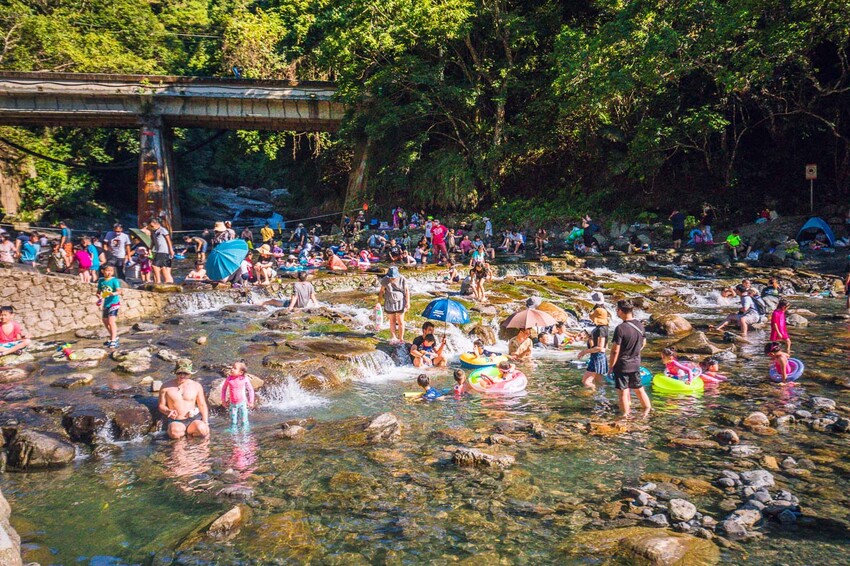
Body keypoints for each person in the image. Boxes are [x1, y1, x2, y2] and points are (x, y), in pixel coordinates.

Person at [609, 299, 651, 416]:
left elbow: (615, 351)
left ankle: (625, 416)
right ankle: (647, 411)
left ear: (621, 311)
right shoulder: (640, 325)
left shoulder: (620, 328)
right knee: (639, 389)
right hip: (636, 363)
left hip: (622, 365)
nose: (617, 312)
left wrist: (611, 366)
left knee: (622, 392)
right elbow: (644, 342)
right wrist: (635, 352)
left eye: (617, 310)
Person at [158, 359, 210, 439]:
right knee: (175, 432)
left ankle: (198, 447)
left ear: (190, 374)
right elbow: (161, 406)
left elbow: (202, 405)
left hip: (193, 420)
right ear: (175, 372)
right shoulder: (166, 387)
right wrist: (168, 411)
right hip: (176, 421)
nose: (182, 376)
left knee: (203, 429)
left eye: (185, 373)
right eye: (179, 373)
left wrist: (205, 422)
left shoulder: (196, 386)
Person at [578, 306, 609, 389]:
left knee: (586, 382)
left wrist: (584, 352)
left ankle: (591, 395)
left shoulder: (600, 329)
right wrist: (589, 338)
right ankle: (600, 397)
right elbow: (605, 346)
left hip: (597, 357)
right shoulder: (604, 328)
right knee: (598, 381)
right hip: (601, 356)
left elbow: (599, 347)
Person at [378, 266, 410, 344]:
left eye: (393, 277)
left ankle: (401, 338)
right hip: (389, 301)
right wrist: (379, 301)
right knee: (392, 320)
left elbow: (407, 291)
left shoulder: (402, 279)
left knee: (400, 321)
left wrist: (408, 302)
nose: (392, 278)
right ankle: (393, 337)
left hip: (400, 302)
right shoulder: (385, 280)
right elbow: (381, 291)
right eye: (391, 277)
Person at [221, 361, 255, 429]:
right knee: (233, 420)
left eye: (234, 368)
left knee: (244, 420)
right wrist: (223, 400)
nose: (232, 369)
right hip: (233, 404)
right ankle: (234, 431)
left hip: (243, 403)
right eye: (232, 367)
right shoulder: (229, 379)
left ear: (241, 372)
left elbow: (250, 389)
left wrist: (251, 401)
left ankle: (246, 431)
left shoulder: (244, 379)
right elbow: (224, 389)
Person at [95, 265, 121, 347]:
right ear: (103, 271)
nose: (109, 272)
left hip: (114, 303)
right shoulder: (101, 281)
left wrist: (112, 293)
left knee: (111, 321)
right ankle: (114, 336)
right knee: (105, 321)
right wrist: (99, 297)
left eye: (111, 271)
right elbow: (98, 292)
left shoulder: (114, 281)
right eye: (107, 270)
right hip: (106, 303)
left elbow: (119, 291)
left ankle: (113, 340)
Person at [149, 218, 174, 284]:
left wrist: (171, 250)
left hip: (163, 250)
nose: (151, 227)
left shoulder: (163, 230)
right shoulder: (154, 232)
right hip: (158, 251)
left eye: (152, 226)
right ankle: (167, 281)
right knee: (163, 267)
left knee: (154, 266)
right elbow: (153, 242)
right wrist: (149, 249)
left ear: (157, 224)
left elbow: (168, 240)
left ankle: (158, 281)